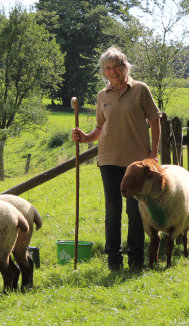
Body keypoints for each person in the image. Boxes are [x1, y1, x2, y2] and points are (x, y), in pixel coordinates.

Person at [71, 46, 161, 271]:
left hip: (137, 164)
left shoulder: (141, 90)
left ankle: (136, 259)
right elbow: (100, 128)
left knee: (135, 211)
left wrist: (153, 152)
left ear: (124, 67)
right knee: (112, 210)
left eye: (116, 67)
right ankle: (113, 259)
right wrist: (84, 138)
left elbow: (154, 121)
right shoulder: (103, 96)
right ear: (104, 71)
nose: (112, 72)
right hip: (109, 159)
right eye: (107, 68)